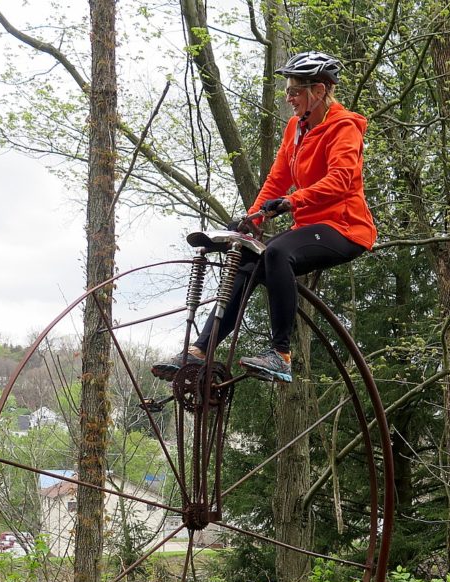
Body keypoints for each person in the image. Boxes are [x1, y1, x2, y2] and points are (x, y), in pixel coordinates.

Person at [152, 51, 376, 383]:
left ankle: (281, 355)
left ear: (320, 90)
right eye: (288, 90)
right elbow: (277, 178)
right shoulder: (295, 129)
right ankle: (200, 351)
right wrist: (251, 220)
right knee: (246, 254)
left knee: (277, 252)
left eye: (296, 91)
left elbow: (340, 180)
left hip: (345, 228)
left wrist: (291, 201)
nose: (289, 97)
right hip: (310, 225)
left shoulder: (344, 128)